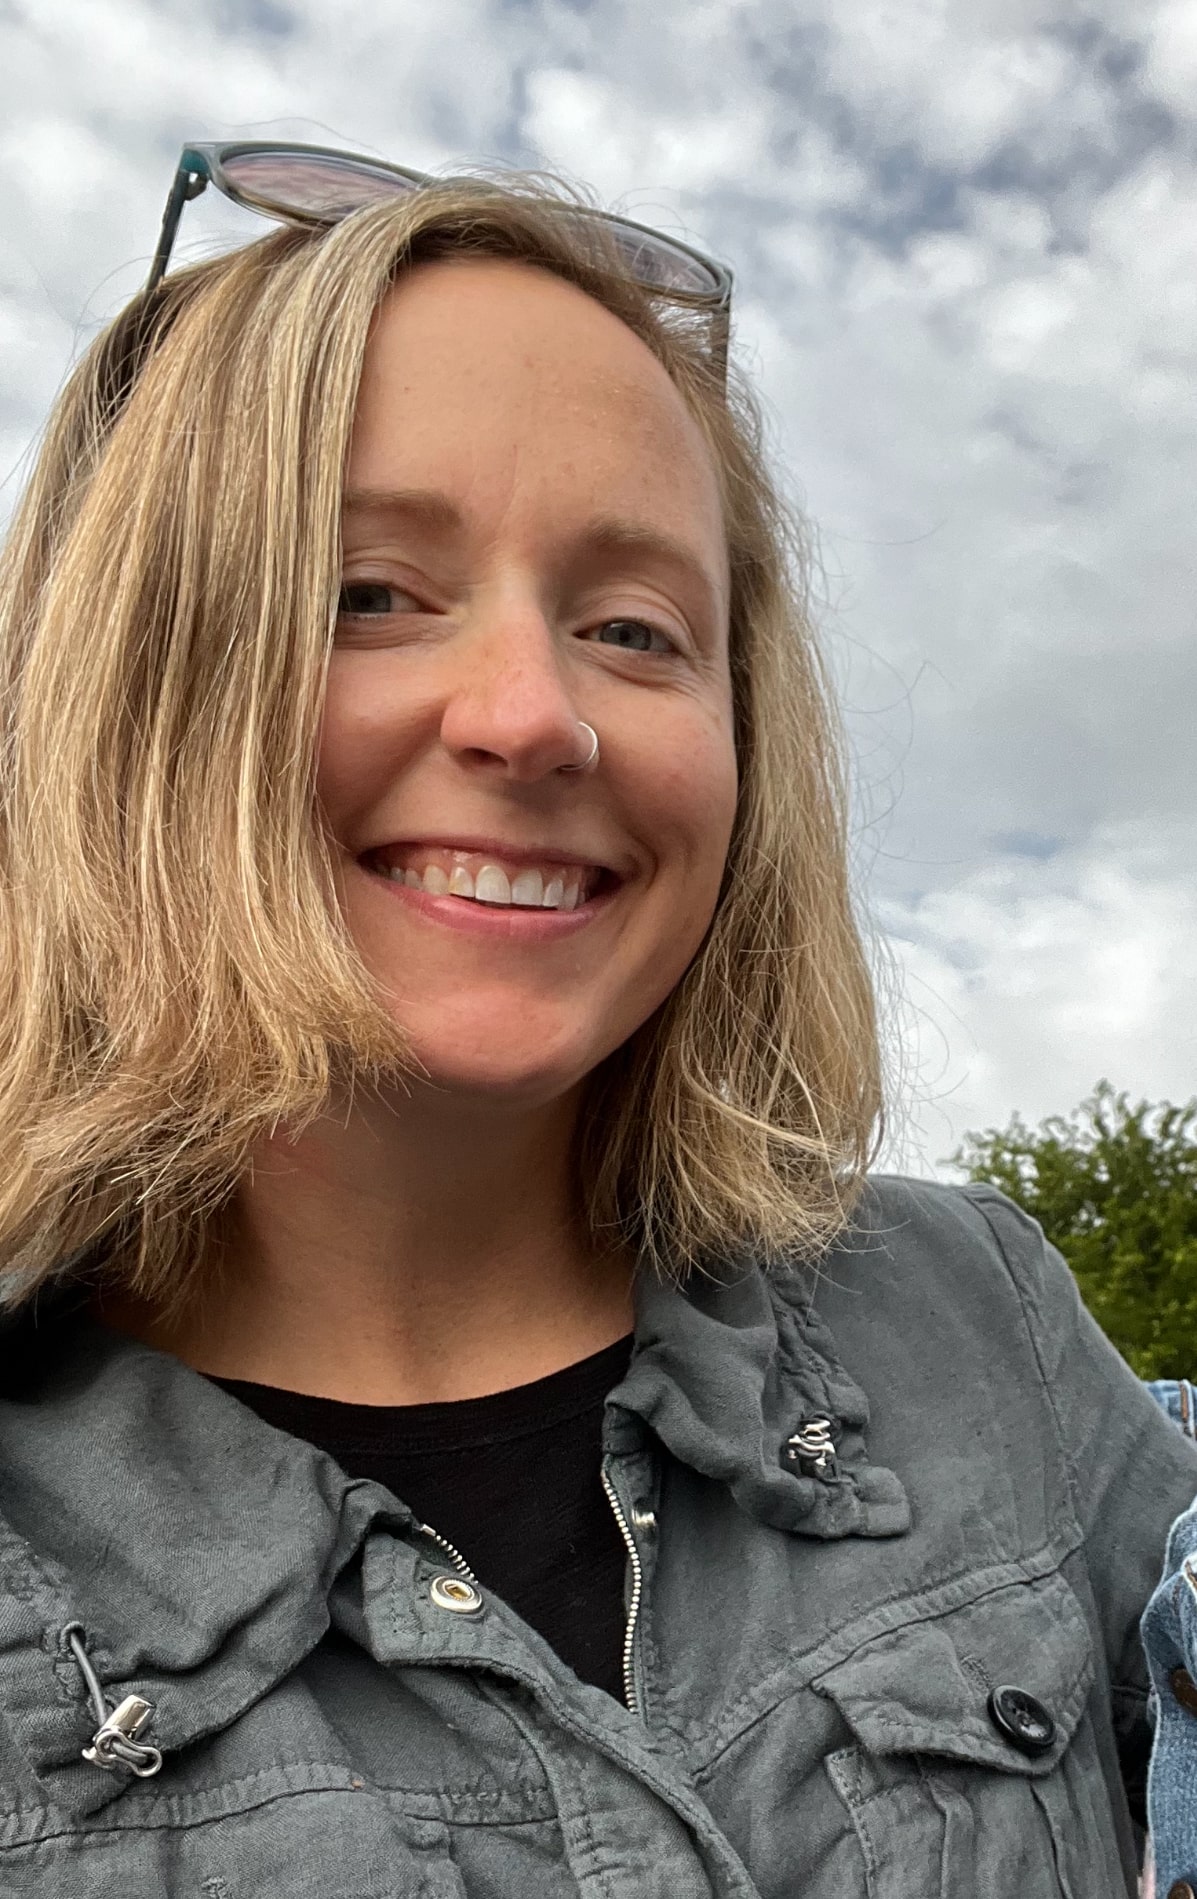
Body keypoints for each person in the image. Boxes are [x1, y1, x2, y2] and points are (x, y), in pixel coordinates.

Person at [0, 141, 1192, 1899]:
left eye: (636, 628)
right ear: (130, 679)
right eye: (367, 595)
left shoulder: (981, 1325)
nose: (533, 716)